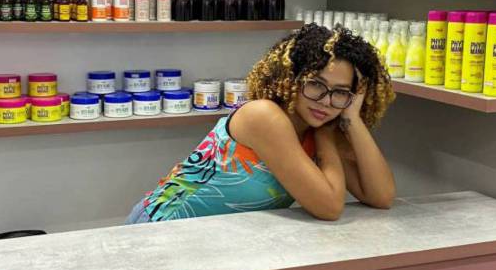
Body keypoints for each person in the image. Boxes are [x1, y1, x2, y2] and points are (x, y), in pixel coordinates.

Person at [126, 23, 396, 224]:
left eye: (341, 92)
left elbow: (381, 196)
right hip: (162, 226)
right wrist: (327, 135)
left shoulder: (318, 122)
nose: (326, 101)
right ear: (291, 79)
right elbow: (330, 207)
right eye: (316, 85)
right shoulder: (264, 117)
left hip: (213, 238)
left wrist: (351, 119)